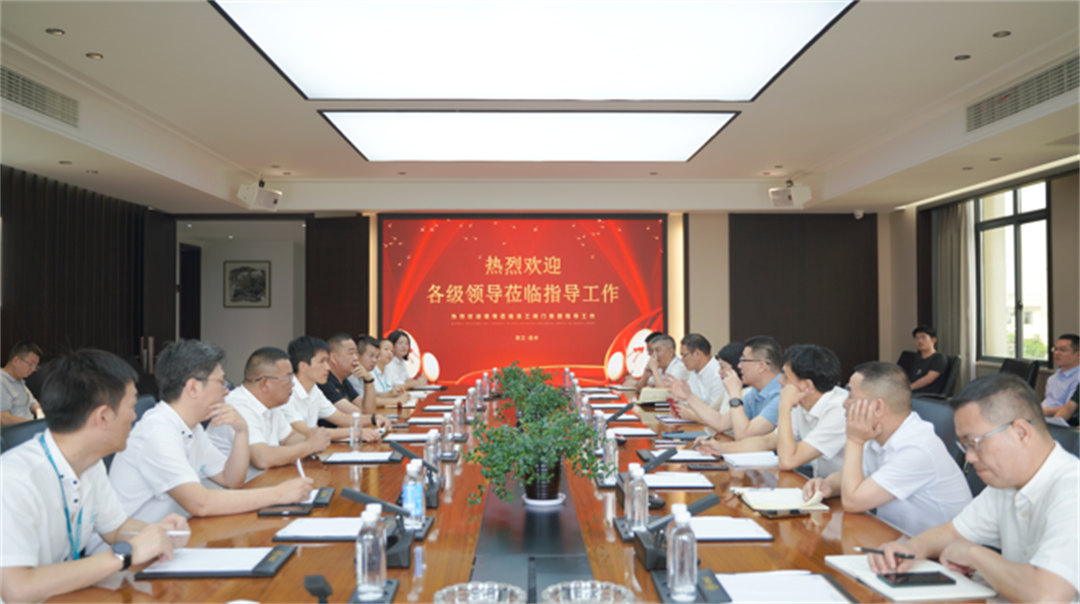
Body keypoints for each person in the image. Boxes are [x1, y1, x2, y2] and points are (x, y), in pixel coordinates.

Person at [867, 374, 1079, 602]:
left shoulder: (1072, 489)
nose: (969, 457)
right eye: (964, 446)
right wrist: (911, 548)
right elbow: (954, 532)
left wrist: (973, 554)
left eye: (974, 443)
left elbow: (1048, 595)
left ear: (1021, 432)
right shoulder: (1006, 483)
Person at [0, 349, 188, 603]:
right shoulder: (14, 480)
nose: (135, 417)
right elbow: (16, 589)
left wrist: (159, 533)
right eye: (131, 407)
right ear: (103, 416)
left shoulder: (90, 463)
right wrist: (126, 554)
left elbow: (116, 528)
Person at [107, 340, 313, 523]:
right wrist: (278, 494)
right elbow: (201, 503)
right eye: (220, 382)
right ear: (193, 388)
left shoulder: (193, 428)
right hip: (133, 548)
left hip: (174, 534)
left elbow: (231, 480)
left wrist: (241, 432)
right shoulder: (158, 430)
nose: (226, 390)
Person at [803, 361, 971, 536]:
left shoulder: (916, 448)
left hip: (942, 549)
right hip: (897, 539)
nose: (844, 404)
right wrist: (827, 485)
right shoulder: (877, 435)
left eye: (850, 396)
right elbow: (853, 476)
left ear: (877, 407)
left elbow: (853, 502)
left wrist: (854, 440)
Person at [692, 344, 849, 476]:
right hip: (820, 485)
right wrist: (720, 448)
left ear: (806, 386)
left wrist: (784, 405)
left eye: (786, 377)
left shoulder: (839, 410)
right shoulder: (802, 402)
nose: (780, 381)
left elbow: (788, 461)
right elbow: (767, 440)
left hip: (842, 494)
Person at [207, 347, 331, 481]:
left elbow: (288, 438)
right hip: (233, 488)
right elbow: (262, 458)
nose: (293, 385)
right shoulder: (237, 405)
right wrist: (309, 446)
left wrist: (315, 439)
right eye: (288, 378)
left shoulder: (272, 403)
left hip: (263, 481)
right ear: (265, 383)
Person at [284, 337, 382, 443]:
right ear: (303, 366)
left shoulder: (314, 390)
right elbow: (307, 432)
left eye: (327, 361)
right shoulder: (286, 392)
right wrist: (354, 432)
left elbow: (342, 418)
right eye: (322, 362)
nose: (328, 367)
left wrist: (374, 419)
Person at [668, 342, 743, 431]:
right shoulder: (727, 390)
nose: (719, 372)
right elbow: (710, 411)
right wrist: (682, 406)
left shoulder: (746, 393)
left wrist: (692, 415)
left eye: (722, 367)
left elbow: (720, 423)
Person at [322, 334, 398, 419]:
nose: (356, 358)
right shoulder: (324, 382)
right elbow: (360, 415)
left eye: (356, 353)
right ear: (333, 357)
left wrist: (368, 380)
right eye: (351, 353)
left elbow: (368, 411)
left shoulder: (345, 381)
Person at [1, 341, 44, 426]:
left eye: (35, 366)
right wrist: (33, 424)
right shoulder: (2, 381)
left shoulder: (19, 381)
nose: (33, 370)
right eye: (31, 364)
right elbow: (3, 418)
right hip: (15, 430)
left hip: (28, 427)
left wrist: (43, 417)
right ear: (16, 360)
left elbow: (34, 405)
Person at [678, 333, 725, 407]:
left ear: (697, 354)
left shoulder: (718, 374)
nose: (682, 360)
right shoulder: (694, 372)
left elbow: (714, 411)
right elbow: (687, 401)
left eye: (684, 355)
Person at [1042, 333, 1079, 418]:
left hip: (1062, 420)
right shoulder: (1054, 376)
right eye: (1055, 349)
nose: (1057, 353)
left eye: (1063, 350)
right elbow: (1048, 401)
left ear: (1078, 354)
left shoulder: (1077, 378)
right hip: (1043, 415)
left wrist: (1040, 411)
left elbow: (1070, 409)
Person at [908, 325, 948, 394]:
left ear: (933, 340)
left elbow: (928, 379)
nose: (919, 341)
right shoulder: (916, 359)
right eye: (916, 338)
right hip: (912, 394)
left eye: (923, 337)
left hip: (925, 396)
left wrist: (907, 388)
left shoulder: (939, 358)